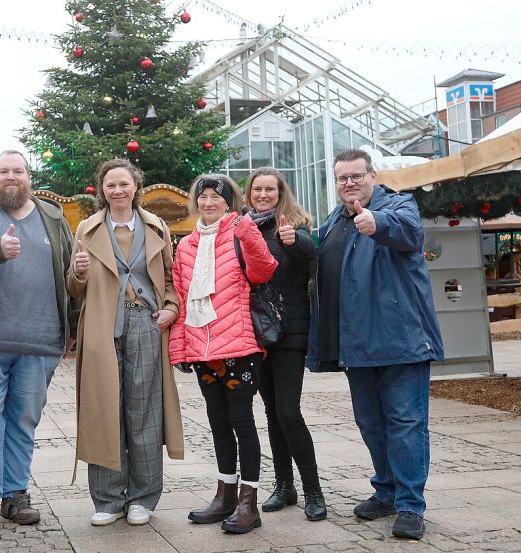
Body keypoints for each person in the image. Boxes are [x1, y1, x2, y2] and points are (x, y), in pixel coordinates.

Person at [306, 149, 443, 541]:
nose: (349, 183)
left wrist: (376, 222)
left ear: (373, 175)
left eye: (356, 176)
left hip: (401, 340)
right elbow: (321, 255)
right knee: (371, 424)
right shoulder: (337, 219)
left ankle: (410, 506)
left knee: (405, 423)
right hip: (357, 343)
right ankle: (386, 490)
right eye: (342, 178)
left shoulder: (399, 206)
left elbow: (408, 233)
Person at [0, 150, 77, 534]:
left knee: (24, 421)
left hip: (41, 340)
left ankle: (15, 495)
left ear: (29, 176)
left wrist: (74, 319)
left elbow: (70, 274)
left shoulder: (53, 217)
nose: (11, 177)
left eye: (18, 171)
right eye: (3, 171)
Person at [66, 159, 184, 527]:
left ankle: (142, 498)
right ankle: (107, 499)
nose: (118, 191)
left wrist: (170, 308)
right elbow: (75, 288)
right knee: (104, 409)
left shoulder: (155, 226)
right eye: (110, 185)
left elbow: (169, 278)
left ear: (136, 186)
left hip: (145, 323)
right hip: (102, 325)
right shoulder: (87, 228)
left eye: (124, 184)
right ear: (102, 190)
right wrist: (79, 272)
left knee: (144, 411)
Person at [169, 174, 278, 534]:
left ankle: (250, 502)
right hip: (203, 347)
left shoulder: (241, 233)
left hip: (239, 346)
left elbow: (264, 271)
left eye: (218, 196)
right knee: (217, 423)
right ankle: (224, 495)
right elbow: (183, 300)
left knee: (241, 421)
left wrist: (248, 232)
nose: (209, 202)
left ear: (229, 202)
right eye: (204, 196)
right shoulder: (185, 245)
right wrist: (181, 345)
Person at [245, 168, 327, 521]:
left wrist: (294, 241)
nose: (263, 194)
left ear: (281, 193)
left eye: (270, 190)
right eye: (257, 189)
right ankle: (284, 485)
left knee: (289, 412)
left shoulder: (294, 224)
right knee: (272, 412)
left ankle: (313, 490)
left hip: (290, 330)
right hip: (257, 331)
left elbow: (312, 256)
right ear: (249, 193)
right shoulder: (244, 227)